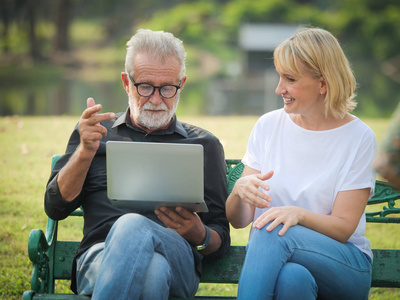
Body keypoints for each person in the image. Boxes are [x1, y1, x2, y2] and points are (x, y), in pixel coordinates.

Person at [44, 29, 230, 299]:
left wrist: (200, 234)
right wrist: (85, 151)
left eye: (167, 88)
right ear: (126, 82)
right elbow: (55, 207)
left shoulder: (205, 145)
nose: (156, 99)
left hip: (177, 259)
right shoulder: (95, 132)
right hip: (100, 257)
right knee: (152, 273)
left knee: (133, 226)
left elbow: (220, 237)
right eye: (145, 86)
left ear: (182, 83)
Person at [226, 27, 376, 300]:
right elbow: (240, 220)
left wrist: (299, 214)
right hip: (287, 264)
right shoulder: (268, 126)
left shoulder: (359, 137)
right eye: (279, 76)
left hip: (345, 266)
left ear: (323, 83)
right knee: (291, 280)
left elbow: (344, 227)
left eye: (290, 79)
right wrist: (239, 191)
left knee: (273, 229)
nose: (278, 88)